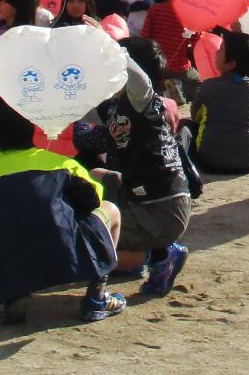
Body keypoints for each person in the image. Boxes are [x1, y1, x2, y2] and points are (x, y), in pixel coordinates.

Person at [0, 95, 123, 323]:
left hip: (7, 261)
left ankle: (13, 296)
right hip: (67, 256)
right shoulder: (61, 164)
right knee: (111, 209)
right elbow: (94, 200)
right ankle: (97, 297)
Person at [73, 37, 191, 296]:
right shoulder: (116, 107)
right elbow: (79, 111)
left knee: (90, 242)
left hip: (161, 208)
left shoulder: (143, 103)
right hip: (147, 197)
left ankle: (160, 257)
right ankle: (146, 257)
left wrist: (111, 47)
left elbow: (140, 82)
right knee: (93, 176)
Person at [187, 30, 249, 176]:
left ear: (231, 64)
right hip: (246, 163)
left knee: (186, 126)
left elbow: (195, 116)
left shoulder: (208, 86)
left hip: (207, 162)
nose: (216, 52)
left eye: (221, 49)